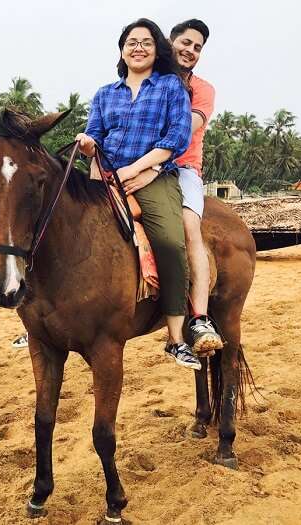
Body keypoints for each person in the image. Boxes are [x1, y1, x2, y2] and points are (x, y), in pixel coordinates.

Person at [73, 18, 199, 369]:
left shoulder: (170, 87)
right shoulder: (104, 94)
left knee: (171, 243)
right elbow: (95, 134)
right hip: (105, 179)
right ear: (122, 50)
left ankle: (175, 336)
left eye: (146, 41)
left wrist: (136, 169)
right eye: (131, 41)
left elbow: (176, 138)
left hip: (153, 178)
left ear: (157, 49)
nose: (138, 47)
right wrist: (87, 144)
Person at [169, 19, 223, 353]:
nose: (190, 50)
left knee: (190, 227)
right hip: (136, 165)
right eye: (186, 43)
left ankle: (199, 315)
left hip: (182, 167)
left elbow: (187, 127)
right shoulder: (150, 80)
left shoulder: (202, 89)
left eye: (197, 47)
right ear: (170, 42)